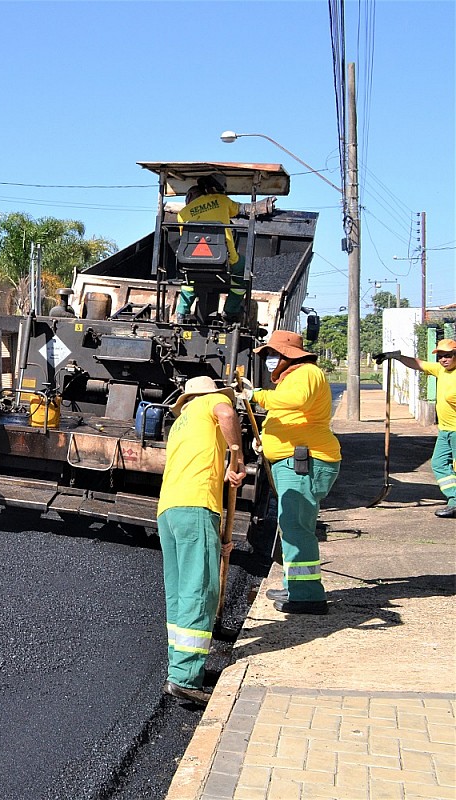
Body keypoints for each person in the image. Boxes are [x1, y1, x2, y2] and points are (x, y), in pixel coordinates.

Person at [157, 376, 245, 707]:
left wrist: (225, 470)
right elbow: (227, 414)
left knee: (180, 591)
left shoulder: (181, 422)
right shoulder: (211, 403)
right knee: (200, 588)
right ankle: (184, 678)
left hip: (169, 509)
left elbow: (198, 462)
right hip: (196, 507)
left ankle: (179, 665)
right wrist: (238, 456)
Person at [241, 329, 342, 615]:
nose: (269, 360)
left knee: (297, 526)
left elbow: (294, 402)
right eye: (268, 355)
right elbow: (286, 414)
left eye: (273, 354)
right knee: (290, 524)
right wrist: (265, 439)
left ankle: (308, 596)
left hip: (305, 461)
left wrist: (256, 395)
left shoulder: (306, 373)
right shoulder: (292, 378)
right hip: (295, 460)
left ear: (288, 355)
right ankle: (295, 586)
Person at [175, 173, 276, 325]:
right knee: (243, 270)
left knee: (189, 279)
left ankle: (181, 313)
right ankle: (230, 312)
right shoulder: (222, 200)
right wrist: (264, 206)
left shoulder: (182, 214)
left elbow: (186, 239)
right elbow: (242, 209)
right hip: (223, 259)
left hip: (191, 261)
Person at [375, 338, 456, 517]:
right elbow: (418, 364)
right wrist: (396, 357)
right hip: (445, 430)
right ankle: (454, 498)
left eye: (448, 356)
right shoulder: (441, 370)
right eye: (441, 356)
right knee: (439, 463)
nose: (443, 359)